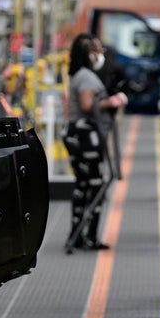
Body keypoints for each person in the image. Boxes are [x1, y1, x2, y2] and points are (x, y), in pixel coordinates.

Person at [63, 33, 127, 252]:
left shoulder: (80, 75)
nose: (101, 54)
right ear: (88, 53)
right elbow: (88, 105)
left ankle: (78, 234)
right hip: (85, 137)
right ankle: (87, 236)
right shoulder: (86, 78)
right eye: (98, 50)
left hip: (79, 136)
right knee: (96, 185)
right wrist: (113, 101)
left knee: (83, 185)